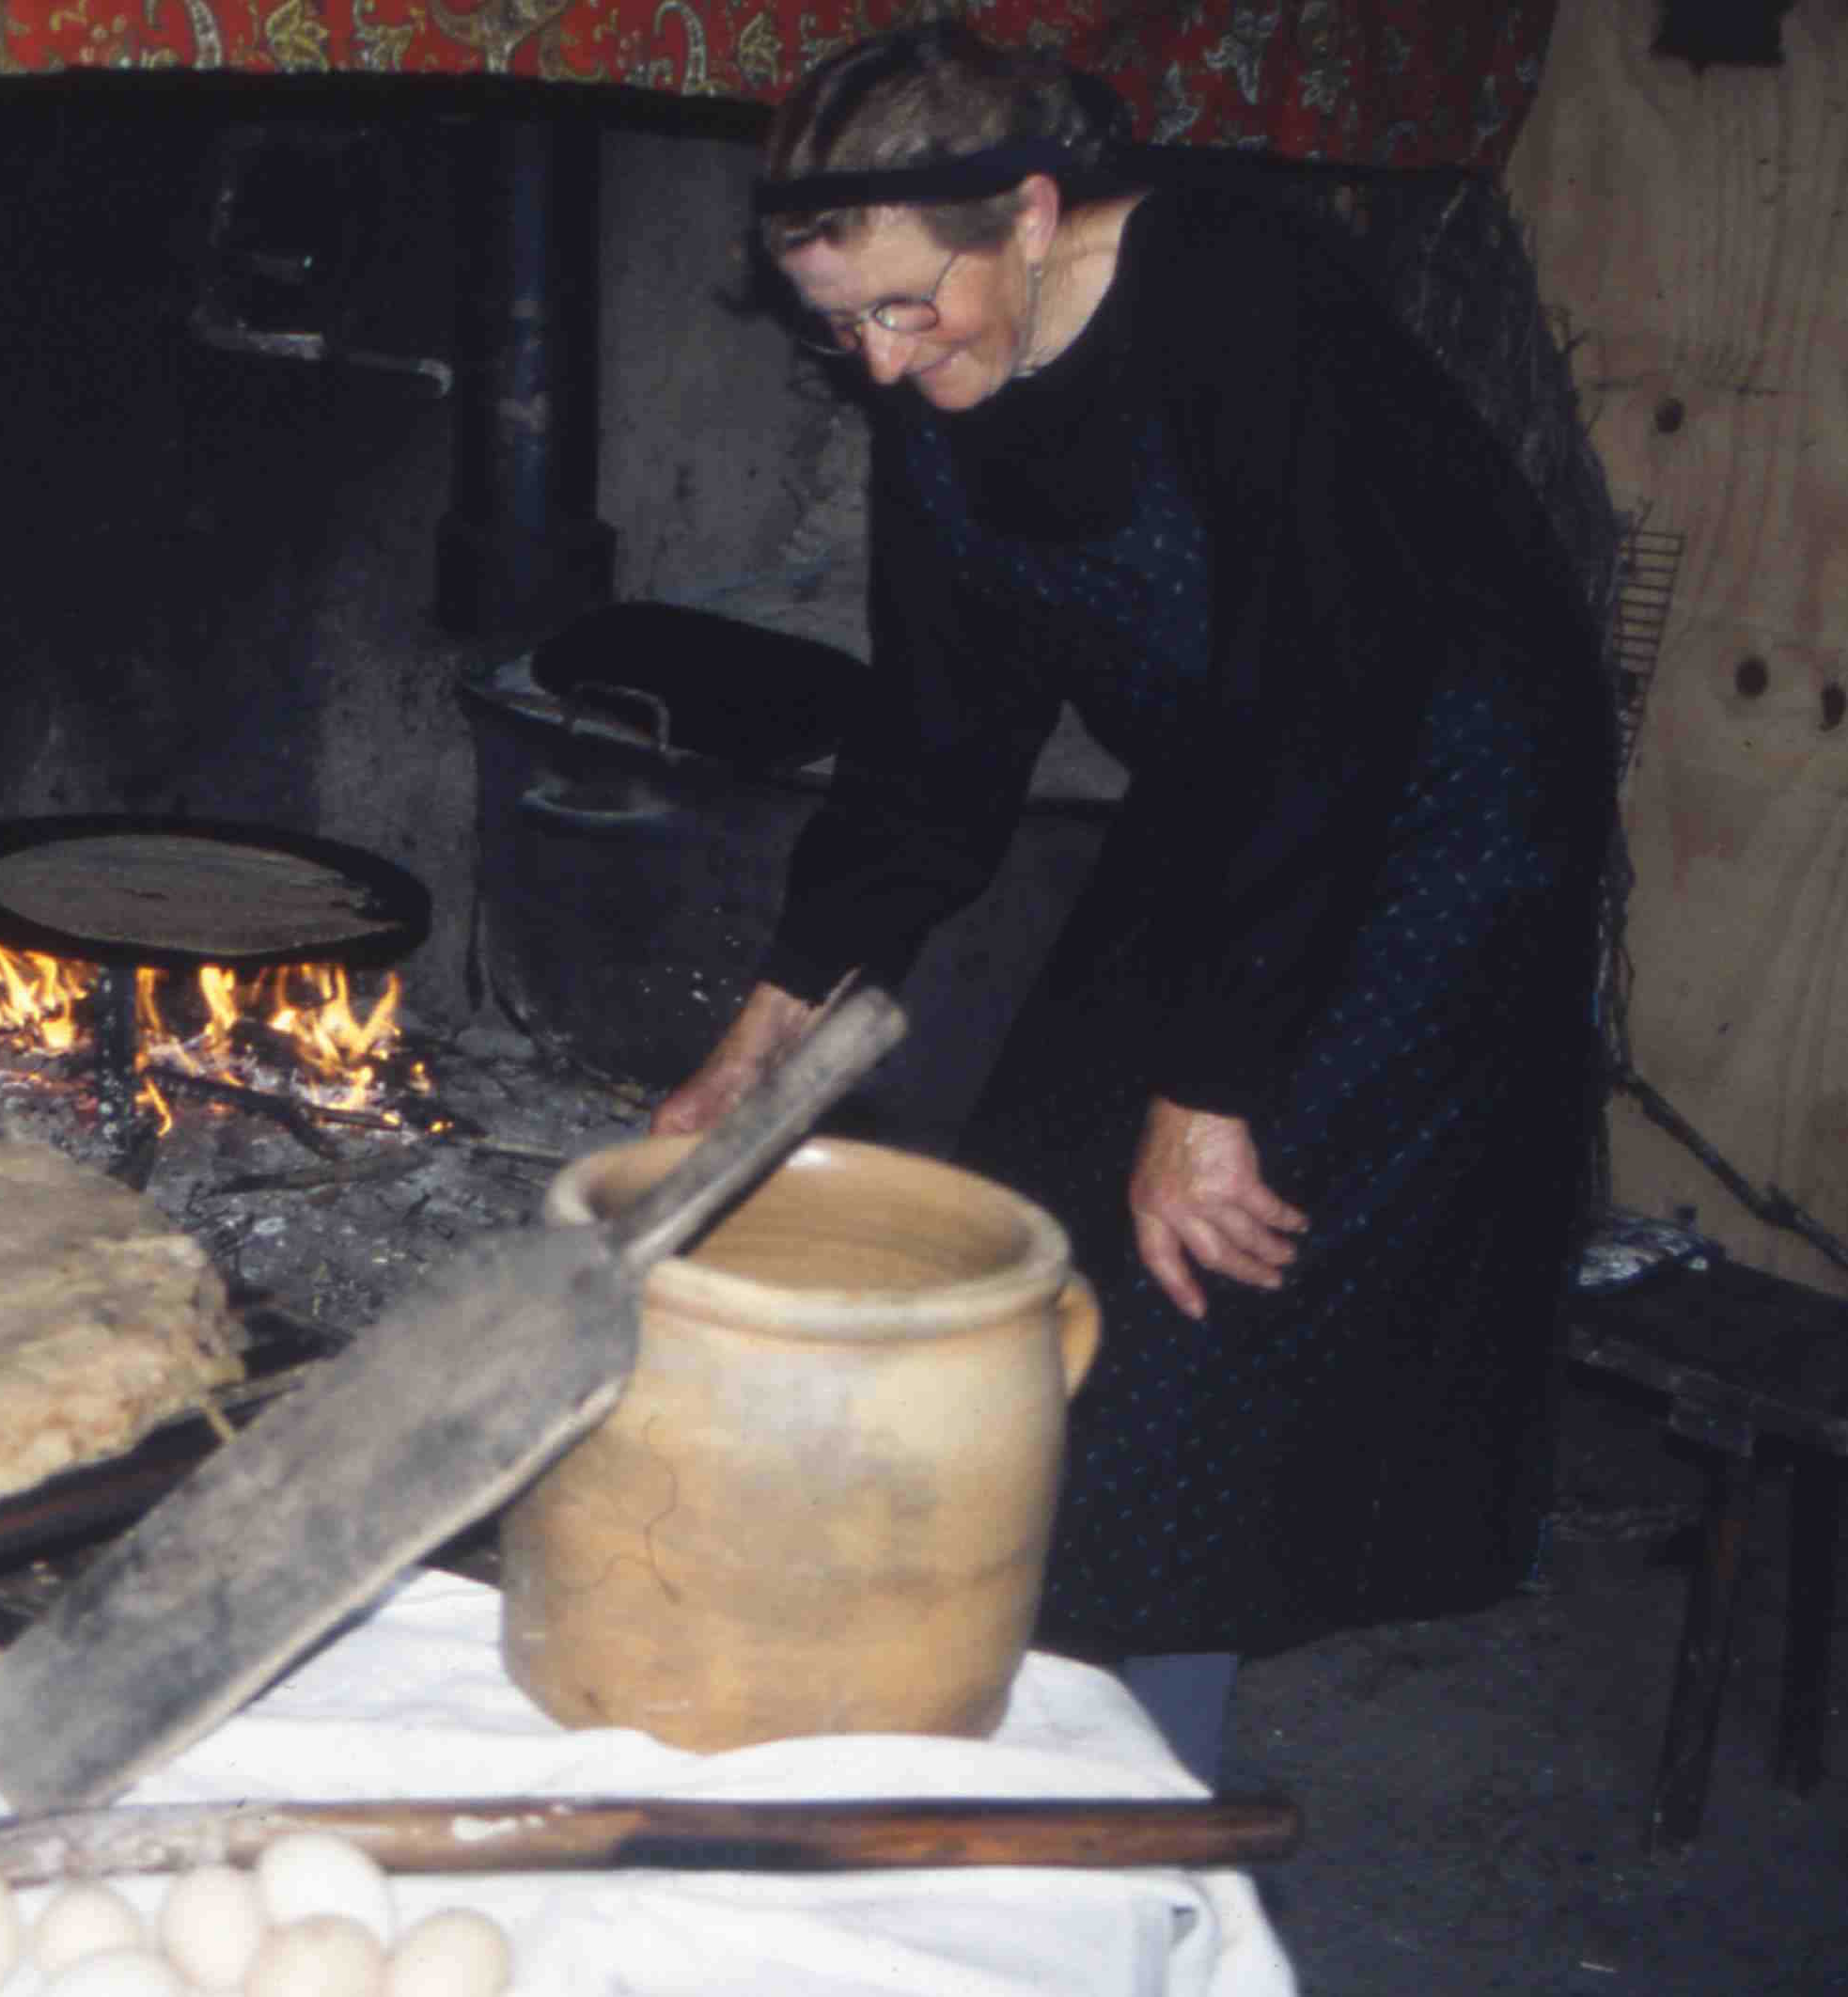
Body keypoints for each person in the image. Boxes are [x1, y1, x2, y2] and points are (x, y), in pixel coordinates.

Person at [654, 24, 1617, 1782]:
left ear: (1027, 212)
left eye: (903, 306)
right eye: (837, 326)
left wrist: (1217, 1085)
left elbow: (1335, 685)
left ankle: (1133, 1781)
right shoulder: (937, 380)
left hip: (1446, 803)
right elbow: (935, 743)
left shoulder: (1242, 300)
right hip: (1242, 783)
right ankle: (1011, 1677)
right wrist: (772, 1019)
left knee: (1191, 1287)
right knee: (1031, 1216)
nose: (876, 360)